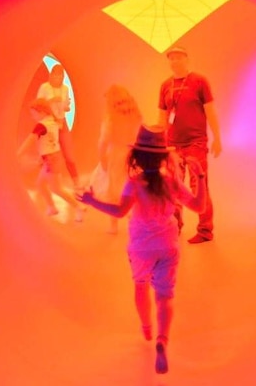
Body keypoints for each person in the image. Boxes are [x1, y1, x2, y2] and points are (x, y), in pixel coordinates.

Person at [77, 125, 206, 375]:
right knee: (164, 296)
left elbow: (120, 211)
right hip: (168, 245)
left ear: (136, 156)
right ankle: (162, 340)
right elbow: (200, 207)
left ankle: (147, 327)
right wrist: (199, 177)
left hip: (140, 247)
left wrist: (92, 202)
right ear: (163, 157)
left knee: (140, 286)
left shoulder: (134, 183)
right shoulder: (171, 182)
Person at [157, 46, 222, 244]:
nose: (174, 61)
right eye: (171, 58)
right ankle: (174, 227)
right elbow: (162, 116)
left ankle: (205, 230)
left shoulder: (200, 81)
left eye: (178, 57)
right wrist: (159, 143)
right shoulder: (165, 85)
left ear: (187, 59)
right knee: (173, 188)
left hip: (196, 143)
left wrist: (217, 137)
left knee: (199, 186)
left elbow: (210, 111)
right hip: (173, 145)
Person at [17, 98, 85, 221]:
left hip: (51, 160)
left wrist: (18, 153)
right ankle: (52, 207)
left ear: (42, 111)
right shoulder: (52, 122)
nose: (33, 117)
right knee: (41, 185)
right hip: (52, 158)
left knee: (56, 188)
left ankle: (78, 207)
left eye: (34, 113)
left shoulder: (41, 125)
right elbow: (47, 142)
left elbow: (30, 140)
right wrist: (41, 158)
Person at [96, 84, 143, 235]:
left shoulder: (111, 118)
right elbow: (141, 132)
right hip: (134, 154)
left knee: (114, 188)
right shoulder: (135, 115)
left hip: (116, 155)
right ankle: (134, 218)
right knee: (132, 187)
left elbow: (103, 142)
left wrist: (102, 157)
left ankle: (113, 225)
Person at [37, 64, 81, 188]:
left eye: (60, 76)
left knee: (69, 154)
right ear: (51, 75)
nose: (58, 78)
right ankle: (48, 185)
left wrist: (66, 107)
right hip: (49, 125)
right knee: (50, 156)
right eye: (56, 75)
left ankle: (76, 181)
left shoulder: (65, 88)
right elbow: (38, 105)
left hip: (62, 123)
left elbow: (65, 106)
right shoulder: (44, 87)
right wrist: (51, 101)